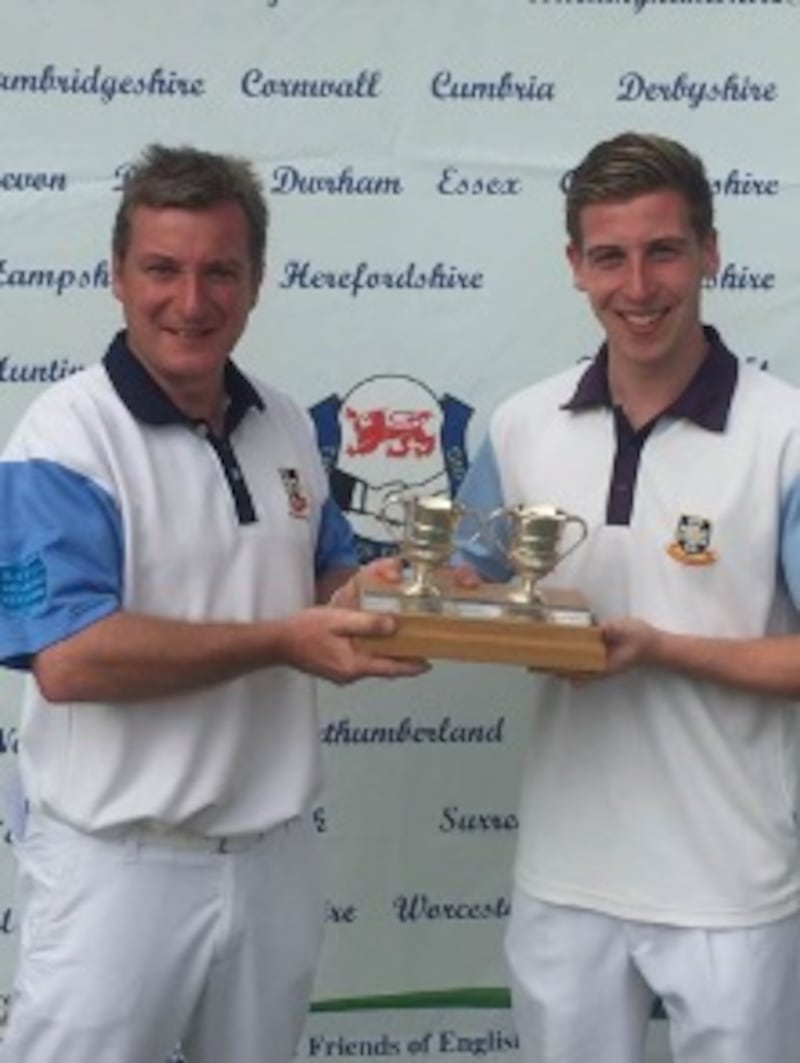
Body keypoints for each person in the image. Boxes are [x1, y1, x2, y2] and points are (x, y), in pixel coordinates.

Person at [0, 143, 427, 1063]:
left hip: (275, 857)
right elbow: (70, 658)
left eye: (219, 272)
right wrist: (284, 638)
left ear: (257, 280)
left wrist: (401, 595)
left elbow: (321, 584)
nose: (190, 303)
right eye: (162, 269)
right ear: (116, 273)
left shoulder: (284, 422)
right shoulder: (65, 437)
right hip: (118, 868)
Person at [454, 132, 800, 1063]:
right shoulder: (524, 424)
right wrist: (391, 596)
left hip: (732, 886)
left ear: (711, 251)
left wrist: (664, 647)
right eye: (609, 256)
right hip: (566, 880)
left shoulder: (786, 433)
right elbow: (464, 586)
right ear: (576, 266)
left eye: (664, 251)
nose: (637, 286)